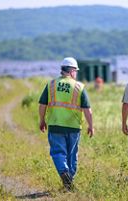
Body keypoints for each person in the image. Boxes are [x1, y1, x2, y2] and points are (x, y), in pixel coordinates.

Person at [38, 57, 94, 191]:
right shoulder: (79, 87)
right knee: (72, 155)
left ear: (62, 70)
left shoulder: (51, 85)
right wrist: (91, 126)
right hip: (73, 127)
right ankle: (69, 180)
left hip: (55, 125)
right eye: (76, 71)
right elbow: (88, 110)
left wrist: (42, 120)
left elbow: (42, 104)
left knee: (58, 152)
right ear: (73, 71)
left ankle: (65, 175)